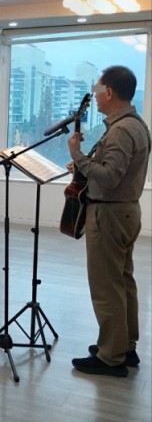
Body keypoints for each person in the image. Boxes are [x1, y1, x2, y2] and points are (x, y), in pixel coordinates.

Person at [68, 65, 151, 377]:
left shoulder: (120, 130)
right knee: (122, 281)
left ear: (110, 92)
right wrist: (86, 163)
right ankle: (124, 345)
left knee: (106, 286)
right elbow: (114, 170)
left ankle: (111, 357)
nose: (96, 96)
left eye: (98, 90)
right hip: (125, 211)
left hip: (110, 214)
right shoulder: (135, 125)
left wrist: (78, 156)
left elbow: (108, 177)